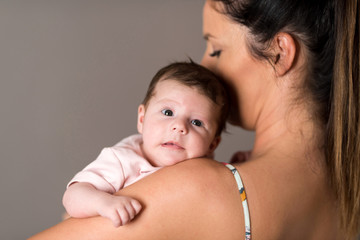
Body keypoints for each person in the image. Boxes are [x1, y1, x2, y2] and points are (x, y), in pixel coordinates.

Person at [29, 0, 360, 239]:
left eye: (215, 49)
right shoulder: (347, 187)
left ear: (279, 53)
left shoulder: (201, 187)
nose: (204, 67)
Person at [62, 61, 229, 227]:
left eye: (197, 123)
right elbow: (73, 195)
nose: (179, 127)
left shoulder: (202, 166)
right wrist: (103, 203)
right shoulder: (122, 160)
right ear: (142, 119)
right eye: (168, 112)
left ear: (212, 145)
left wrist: (243, 161)